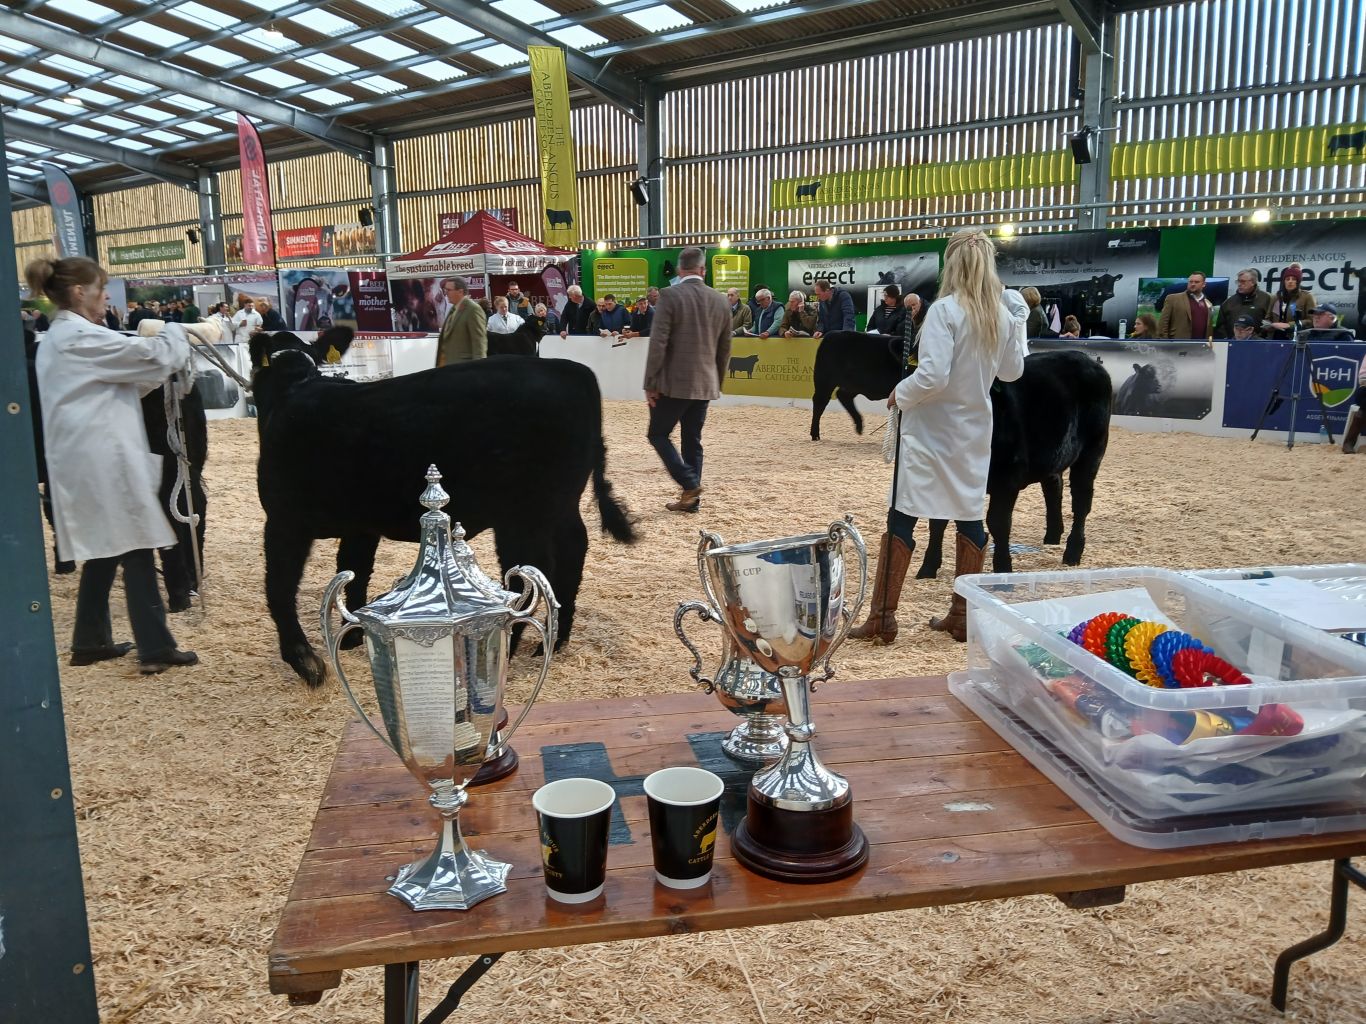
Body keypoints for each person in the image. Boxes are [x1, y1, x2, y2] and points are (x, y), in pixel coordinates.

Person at [849, 230, 1027, 645]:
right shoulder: (999, 314)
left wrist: (900, 393)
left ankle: (883, 618)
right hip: (973, 429)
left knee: (904, 513)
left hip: (931, 429)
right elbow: (1012, 372)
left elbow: (932, 375)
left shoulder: (945, 311)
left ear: (953, 265)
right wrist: (1017, 322)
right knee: (968, 513)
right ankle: (961, 615)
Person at [26, 256, 198, 673]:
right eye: (101, 288)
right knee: (136, 542)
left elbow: (129, 377)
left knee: (106, 548)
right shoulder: (79, 338)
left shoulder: (64, 338)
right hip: (100, 459)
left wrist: (158, 366)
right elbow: (152, 356)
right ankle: (155, 648)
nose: (106, 297)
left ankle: (89, 641)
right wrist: (176, 331)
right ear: (80, 292)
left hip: (88, 458)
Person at [642, 246, 731, 514]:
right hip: (705, 383)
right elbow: (725, 348)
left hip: (674, 383)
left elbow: (659, 342)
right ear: (704, 270)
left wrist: (650, 382)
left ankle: (689, 484)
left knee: (658, 434)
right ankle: (691, 501)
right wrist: (716, 381)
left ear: (680, 270)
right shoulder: (721, 300)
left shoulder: (670, 295)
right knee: (693, 441)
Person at [435, 276, 487, 365]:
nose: (445, 293)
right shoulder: (453, 309)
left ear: (460, 291)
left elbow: (479, 344)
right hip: (448, 367)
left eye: (448, 290)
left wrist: (478, 370)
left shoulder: (473, 310)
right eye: (445, 290)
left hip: (463, 369)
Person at [1216, 268, 1272, 338]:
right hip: (1233, 344)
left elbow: (1270, 323)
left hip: (1259, 344)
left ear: (1253, 282)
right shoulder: (1229, 302)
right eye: (1238, 281)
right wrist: (1228, 340)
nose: (1239, 284)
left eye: (1243, 282)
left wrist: (1258, 339)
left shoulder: (1266, 299)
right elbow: (1220, 326)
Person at [1157, 272, 1214, 339]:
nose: (1192, 284)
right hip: (1178, 345)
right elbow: (1163, 324)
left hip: (1201, 346)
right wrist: (1166, 343)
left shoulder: (1208, 303)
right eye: (1190, 282)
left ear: (1204, 284)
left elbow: (1209, 328)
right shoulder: (1173, 299)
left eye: (1196, 282)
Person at [1267, 265, 1317, 339]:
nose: (1290, 281)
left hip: (1296, 337)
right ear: (1284, 282)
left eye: (1293, 279)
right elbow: (1268, 317)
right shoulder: (1276, 297)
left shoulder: (1307, 297)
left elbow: (1311, 321)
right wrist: (1269, 325)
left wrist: (1289, 325)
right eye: (1287, 279)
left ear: (1298, 282)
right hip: (1275, 336)